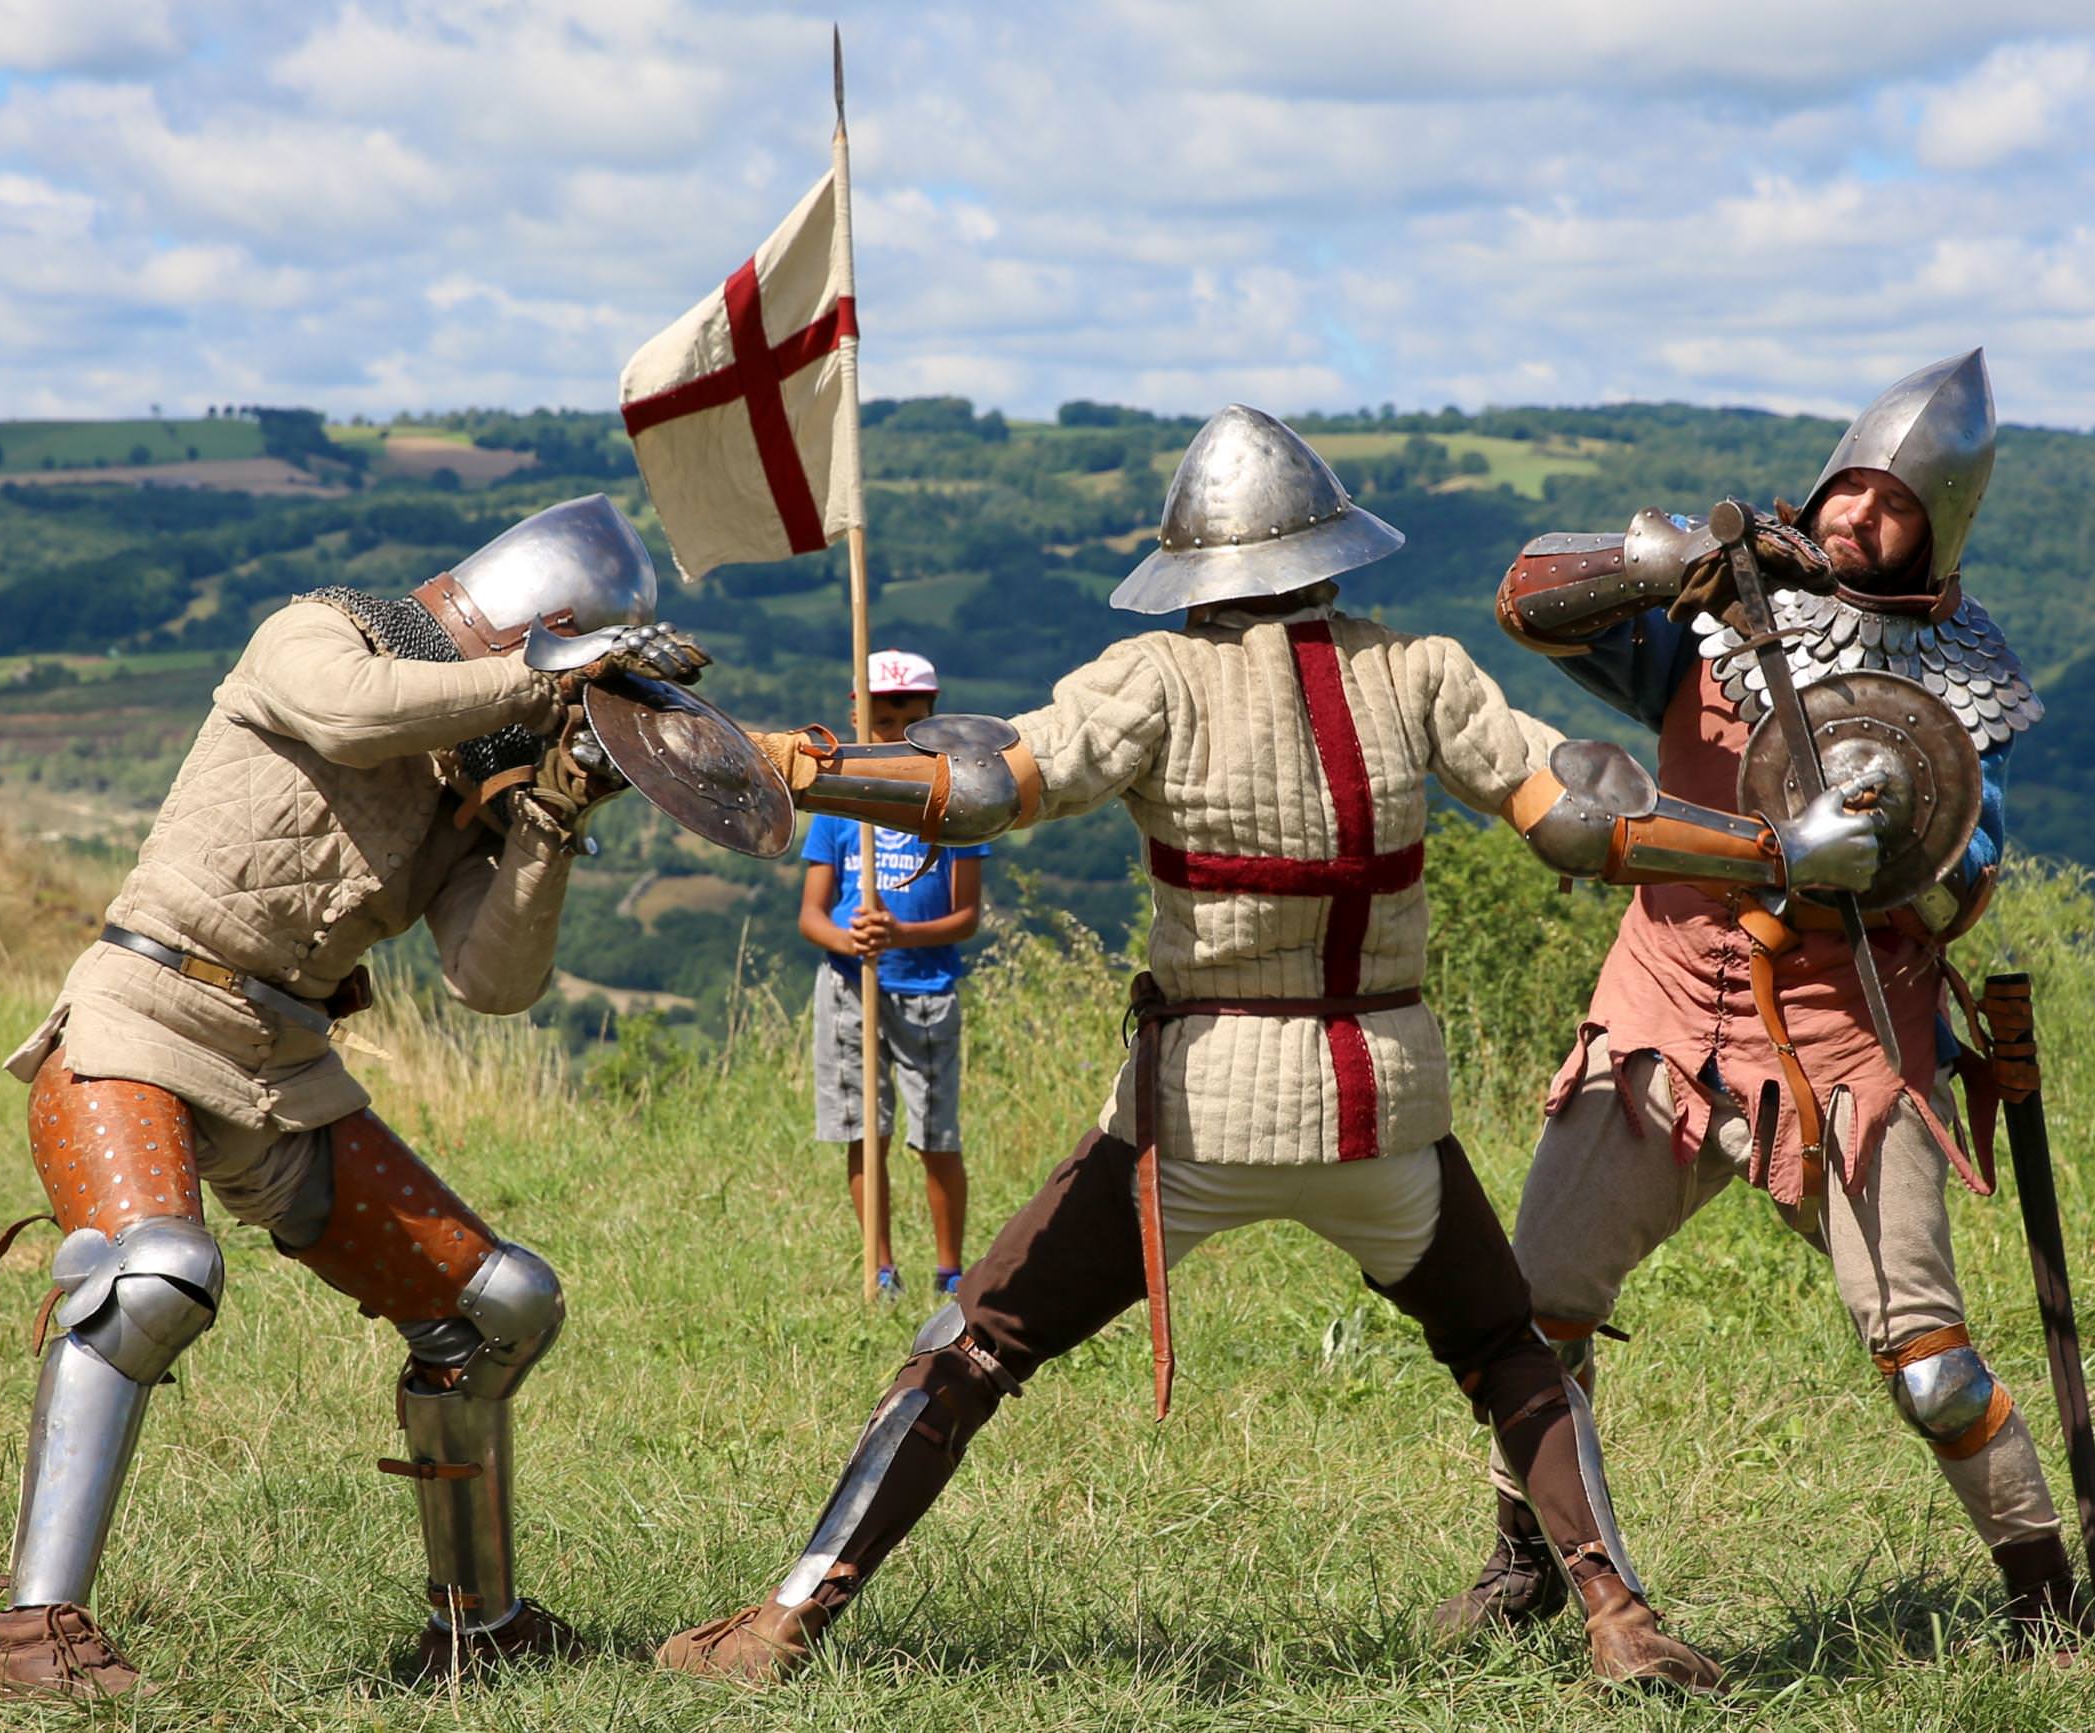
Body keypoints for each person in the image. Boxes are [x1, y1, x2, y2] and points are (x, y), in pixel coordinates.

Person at [654, 405, 1898, 1692]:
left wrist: (790, 763)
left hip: (1194, 1118)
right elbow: (1584, 814)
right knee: (1507, 1356)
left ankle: (781, 1621)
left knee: (968, 1347)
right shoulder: (1418, 671)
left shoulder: (1151, 677)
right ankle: (1618, 1617)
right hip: (1383, 1118)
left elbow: (980, 782)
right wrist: (1774, 849)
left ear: (1194, 570)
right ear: (1326, 552)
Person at [0, 495, 710, 1697]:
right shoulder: (319, 634)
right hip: (141, 1014)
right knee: (153, 1274)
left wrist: (548, 813)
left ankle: (478, 1626)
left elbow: (490, 979)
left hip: (282, 1061)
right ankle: (34, 1631)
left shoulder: (462, 771)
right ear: (529, 629)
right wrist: (545, 687)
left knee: (499, 1307)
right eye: (562, 663)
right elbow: (351, 713)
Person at [1460, 350, 2084, 1653]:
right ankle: (1532, 1562)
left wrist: (1900, 860)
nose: (1858, 515)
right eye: (1849, 487)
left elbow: (1968, 874)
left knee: (1929, 1364)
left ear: (1939, 522)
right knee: (1535, 1315)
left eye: (1892, 502)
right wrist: (1658, 564)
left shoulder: (1964, 669)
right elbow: (1529, 603)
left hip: (1850, 1041)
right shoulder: (1717, 613)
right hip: (1660, 1015)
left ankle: (2046, 1601)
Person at [798, 648, 988, 1299]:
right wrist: (850, 940)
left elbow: (966, 916)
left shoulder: (954, 802)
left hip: (926, 990)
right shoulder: (840, 805)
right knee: (865, 1131)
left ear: (935, 715)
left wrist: (901, 934)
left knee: (935, 1135)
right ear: (858, 714)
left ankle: (949, 1271)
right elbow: (812, 915)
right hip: (850, 988)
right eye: (882, 716)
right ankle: (880, 1270)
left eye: (910, 716)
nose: (896, 728)